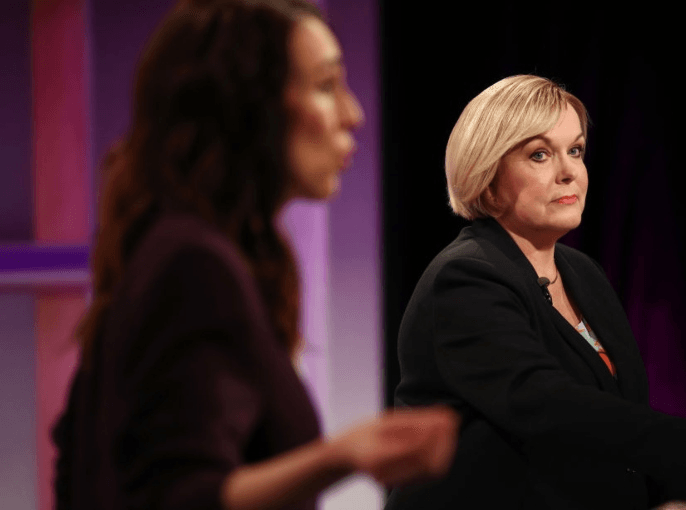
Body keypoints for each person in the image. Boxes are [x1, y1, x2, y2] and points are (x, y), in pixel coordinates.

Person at [52, 1, 458, 509]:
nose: (353, 114)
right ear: (249, 107)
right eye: (326, 86)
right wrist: (343, 456)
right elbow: (177, 496)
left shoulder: (180, 252)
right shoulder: (192, 265)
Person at [384, 75, 686, 510]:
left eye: (576, 150)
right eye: (540, 154)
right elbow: (545, 405)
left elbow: (619, 414)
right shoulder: (466, 277)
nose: (569, 172)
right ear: (487, 178)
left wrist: (671, 499)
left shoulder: (583, 274)